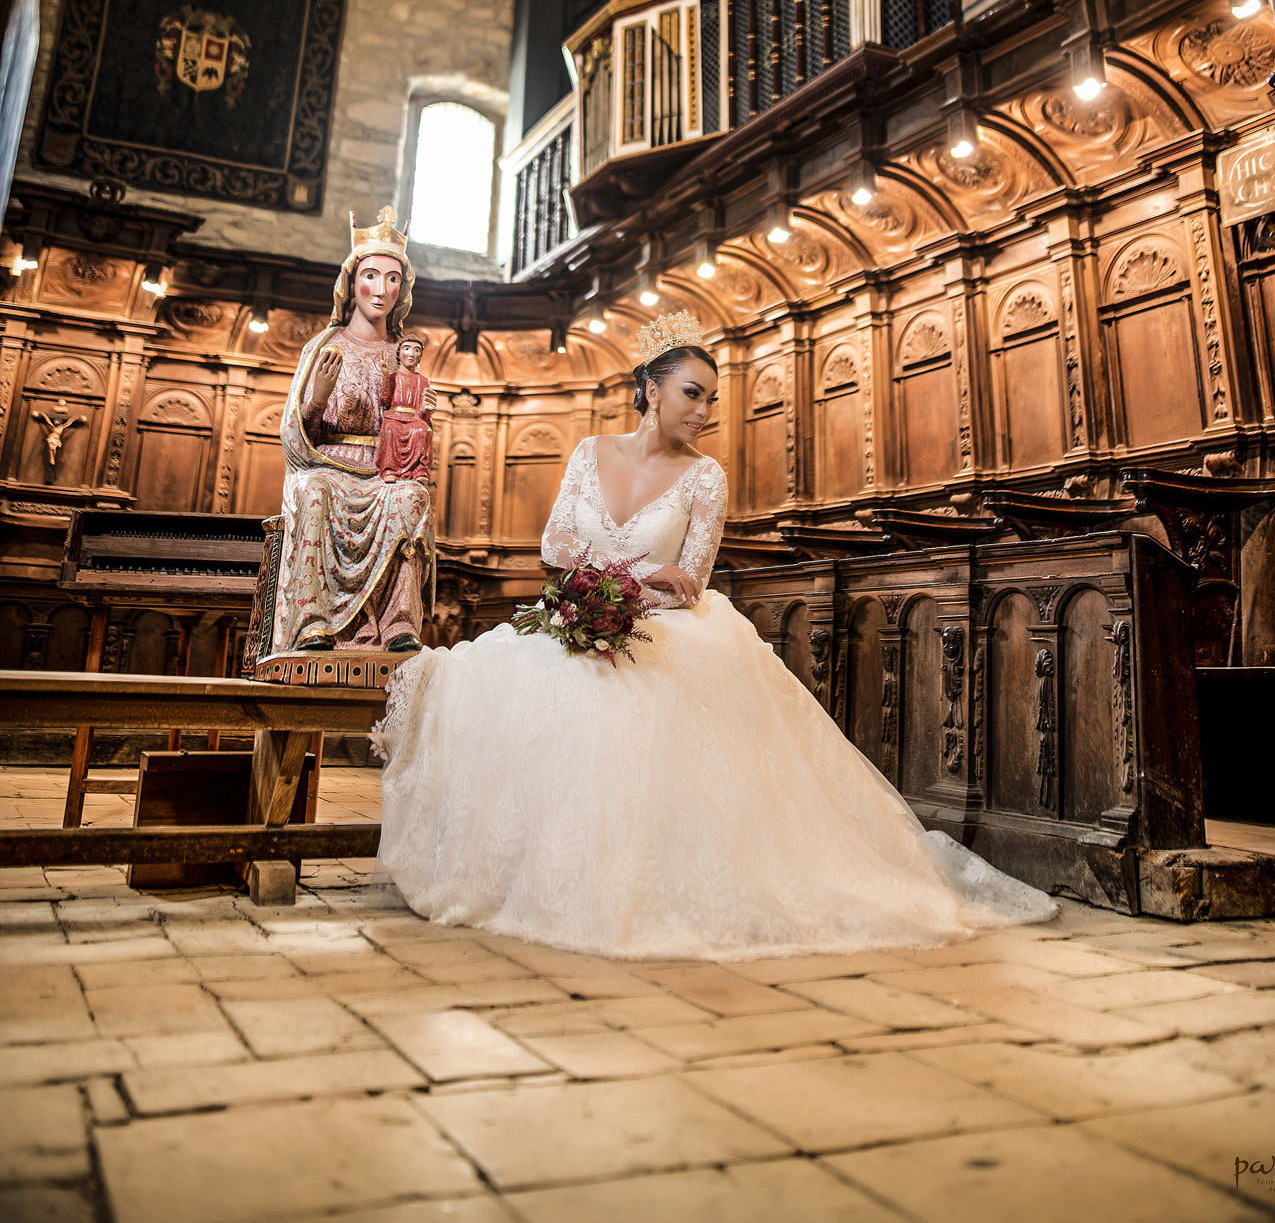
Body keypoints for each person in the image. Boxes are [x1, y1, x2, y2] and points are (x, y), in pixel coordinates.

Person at [374, 309, 1055, 958]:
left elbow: (690, 581)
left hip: (667, 630)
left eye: (710, 401)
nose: (703, 413)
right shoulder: (587, 451)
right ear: (649, 389)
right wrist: (623, 579)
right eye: (691, 395)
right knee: (494, 686)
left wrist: (626, 586)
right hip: (578, 611)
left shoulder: (705, 476)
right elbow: (554, 543)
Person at [271, 208, 434, 656]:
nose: (381, 290)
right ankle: (312, 623)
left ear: (403, 288)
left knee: (411, 498)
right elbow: (295, 437)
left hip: (385, 469)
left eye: (393, 279)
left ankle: (398, 626)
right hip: (328, 464)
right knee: (315, 492)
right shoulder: (324, 346)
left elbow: (409, 424)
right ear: (352, 282)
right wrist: (318, 397)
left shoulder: (401, 355)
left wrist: (421, 417)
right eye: (371, 276)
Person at [376, 337, 433, 485]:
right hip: (394, 416)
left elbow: (422, 410)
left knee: (422, 430)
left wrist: (426, 411)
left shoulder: (423, 381)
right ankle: (389, 470)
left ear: (420, 356)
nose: (411, 354)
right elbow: (384, 400)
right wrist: (385, 376)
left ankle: (419, 470)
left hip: (413, 418)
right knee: (390, 430)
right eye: (406, 348)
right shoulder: (393, 376)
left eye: (416, 350)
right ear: (399, 353)